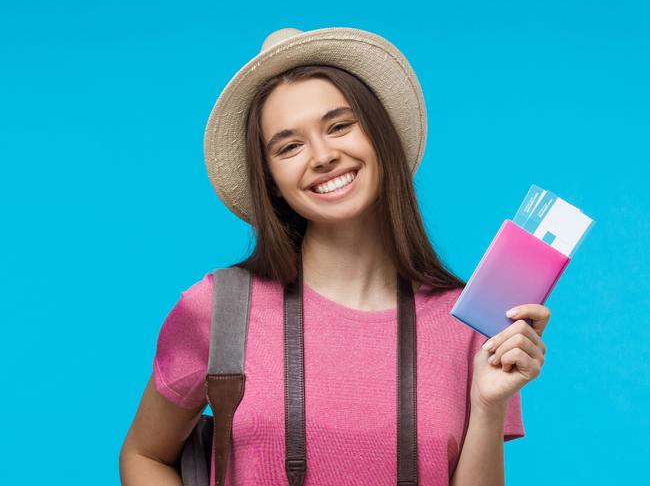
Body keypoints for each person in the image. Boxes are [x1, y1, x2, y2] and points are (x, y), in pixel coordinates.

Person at [119, 27, 550, 486]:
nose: (323, 156)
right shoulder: (218, 309)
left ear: (379, 136)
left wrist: (487, 406)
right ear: (270, 180)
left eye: (339, 126)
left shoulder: (468, 320)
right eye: (289, 146)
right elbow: (144, 455)